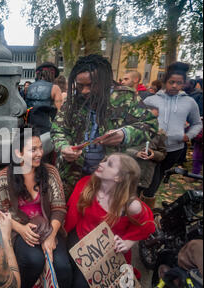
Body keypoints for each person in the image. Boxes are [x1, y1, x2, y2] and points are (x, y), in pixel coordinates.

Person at [51, 54, 158, 199]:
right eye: (80, 85)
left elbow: (150, 125)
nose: (84, 91)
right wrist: (64, 147)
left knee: (104, 218)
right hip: (73, 176)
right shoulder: (73, 100)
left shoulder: (126, 97)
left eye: (91, 85)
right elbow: (58, 130)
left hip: (112, 179)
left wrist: (125, 134)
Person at [0, 128, 71, 288]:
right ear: (18, 153)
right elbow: (0, 212)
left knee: (63, 267)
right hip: (21, 231)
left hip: (50, 227)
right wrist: (21, 229)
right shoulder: (3, 178)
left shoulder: (50, 172)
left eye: (40, 148)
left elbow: (59, 208)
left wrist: (50, 236)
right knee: (34, 261)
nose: (39, 153)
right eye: (33, 150)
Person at [64, 153, 156, 288]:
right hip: (80, 237)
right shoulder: (87, 184)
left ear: (118, 178)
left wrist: (128, 242)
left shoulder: (131, 205)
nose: (101, 163)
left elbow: (148, 225)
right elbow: (72, 213)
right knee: (66, 273)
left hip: (107, 249)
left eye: (109, 164)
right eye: (104, 160)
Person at [142, 62, 202, 205]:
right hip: (152, 147)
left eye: (179, 83)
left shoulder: (189, 102)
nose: (175, 86)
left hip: (174, 149)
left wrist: (188, 136)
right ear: (165, 82)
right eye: (171, 82)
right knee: (150, 179)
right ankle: (142, 207)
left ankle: (145, 209)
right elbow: (138, 121)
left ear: (184, 84)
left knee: (159, 176)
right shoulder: (150, 99)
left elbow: (197, 123)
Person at [126, 105, 167, 207]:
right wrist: (136, 153)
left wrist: (153, 154)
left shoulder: (159, 134)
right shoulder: (129, 131)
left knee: (136, 201)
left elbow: (163, 153)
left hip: (145, 174)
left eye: (155, 118)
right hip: (128, 172)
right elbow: (120, 150)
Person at [25, 62, 63, 134]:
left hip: (29, 126)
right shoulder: (55, 88)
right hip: (46, 128)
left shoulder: (29, 87)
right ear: (51, 74)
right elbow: (59, 112)